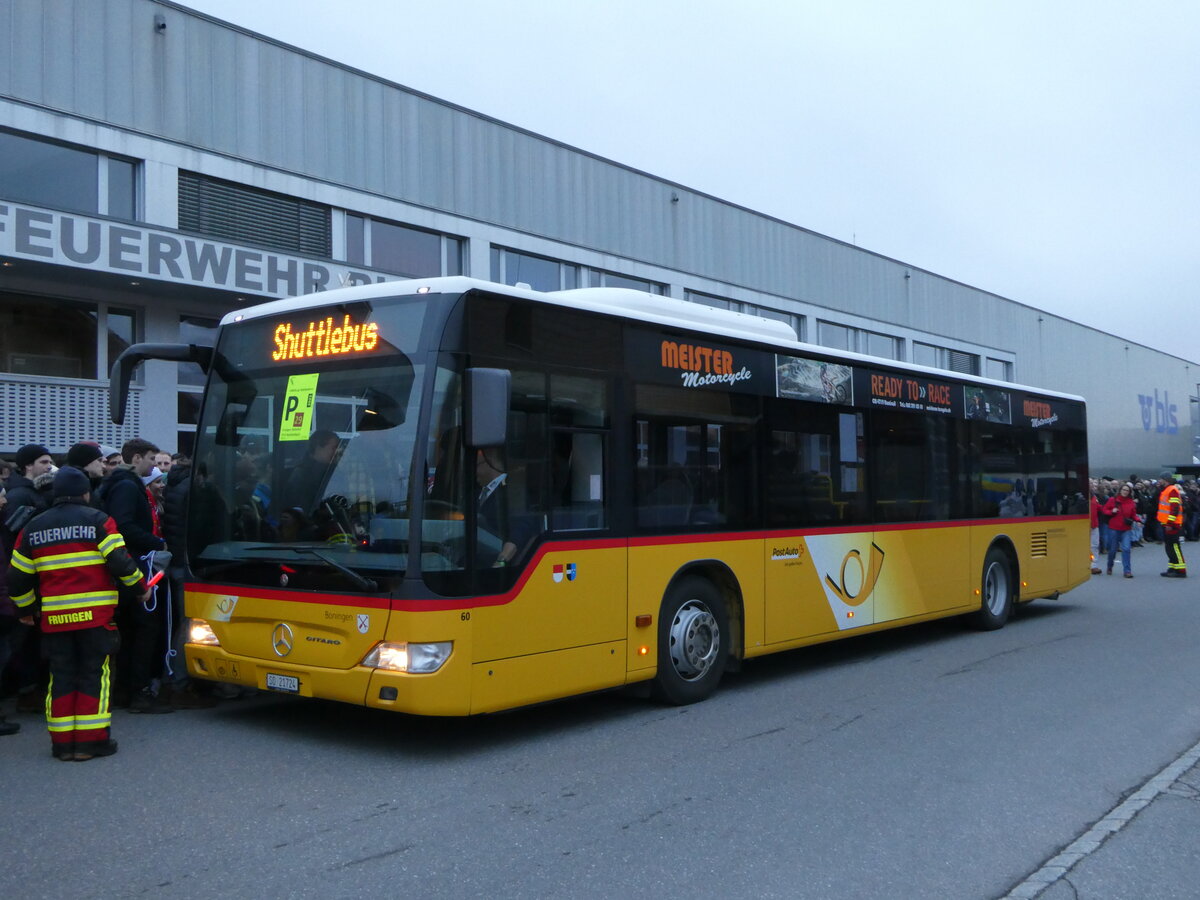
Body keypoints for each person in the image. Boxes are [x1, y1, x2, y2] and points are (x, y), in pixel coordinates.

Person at [7, 467, 149, 760]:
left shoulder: (33, 527)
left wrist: (25, 609)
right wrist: (140, 588)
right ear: (86, 493)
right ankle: (90, 743)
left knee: (61, 677)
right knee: (94, 676)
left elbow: (17, 576)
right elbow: (120, 562)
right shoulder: (99, 521)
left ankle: (62, 745)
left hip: (56, 619)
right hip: (95, 618)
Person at [95, 438, 172, 712]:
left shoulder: (119, 484)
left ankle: (124, 691)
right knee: (144, 629)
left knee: (130, 630)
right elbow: (124, 526)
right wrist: (157, 543)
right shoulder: (128, 486)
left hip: (127, 565)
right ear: (137, 458)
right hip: (136, 565)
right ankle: (139, 692)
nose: (154, 465)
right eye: (151, 459)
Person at [281, 429, 340, 514]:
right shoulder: (300, 474)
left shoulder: (334, 473)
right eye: (334, 447)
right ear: (318, 448)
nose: (338, 451)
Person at [1102, 483, 1141, 578]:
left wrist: (1138, 520)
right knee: (1113, 550)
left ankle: (1127, 571)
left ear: (1129, 492)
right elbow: (1104, 510)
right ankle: (1110, 565)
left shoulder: (1131, 502)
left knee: (1126, 549)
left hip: (1126, 529)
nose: (1125, 492)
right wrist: (1111, 511)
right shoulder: (1113, 500)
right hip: (1114, 528)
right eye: (1124, 490)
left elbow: (1133, 514)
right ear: (1120, 490)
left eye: (1127, 490)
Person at [1157, 472, 1187, 578]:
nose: (1159, 481)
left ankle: (1181, 570)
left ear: (1165, 480)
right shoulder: (1167, 490)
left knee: (1174, 547)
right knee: (1169, 547)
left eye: (1161, 479)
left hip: (1172, 524)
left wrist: (1170, 523)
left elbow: (1175, 508)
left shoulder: (1172, 490)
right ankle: (1173, 568)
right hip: (1168, 523)